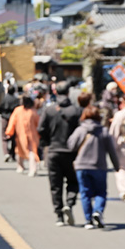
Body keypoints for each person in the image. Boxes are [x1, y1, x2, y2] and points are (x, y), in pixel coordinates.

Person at [68, 105, 120, 230]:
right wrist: (116, 166)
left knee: (85, 193)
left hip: (82, 166)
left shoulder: (80, 130)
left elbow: (71, 145)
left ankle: (88, 220)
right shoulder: (103, 131)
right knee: (101, 192)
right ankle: (98, 211)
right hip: (99, 166)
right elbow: (111, 150)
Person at [38, 82, 82, 226]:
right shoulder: (76, 111)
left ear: (56, 92)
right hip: (71, 152)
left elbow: (41, 129)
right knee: (73, 181)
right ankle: (69, 203)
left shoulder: (49, 110)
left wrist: (46, 141)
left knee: (55, 185)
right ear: (68, 93)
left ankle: (59, 215)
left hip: (53, 151)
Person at [5, 95, 40, 175]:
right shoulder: (33, 111)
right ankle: (32, 169)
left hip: (21, 134)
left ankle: (20, 166)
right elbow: (38, 123)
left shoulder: (18, 110)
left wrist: (9, 132)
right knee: (32, 151)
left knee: (20, 150)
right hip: (32, 134)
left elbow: (12, 122)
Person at [0, 86, 20, 163]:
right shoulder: (16, 99)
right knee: (13, 137)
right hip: (13, 119)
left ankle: (6, 153)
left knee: (4, 137)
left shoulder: (3, 98)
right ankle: (12, 154)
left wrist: (1, 113)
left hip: (4, 118)